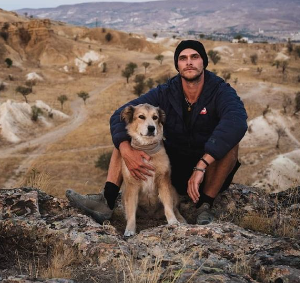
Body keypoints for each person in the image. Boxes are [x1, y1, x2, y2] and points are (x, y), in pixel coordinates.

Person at [67, 40, 248, 225]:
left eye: (195, 57)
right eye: (183, 58)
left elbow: (237, 122)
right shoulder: (166, 92)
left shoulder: (220, 91)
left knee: (231, 143)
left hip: (208, 172)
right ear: (177, 64)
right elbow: (119, 115)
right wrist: (126, 151)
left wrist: (202, 164)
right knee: (126, 135)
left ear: (204, 62)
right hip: (173, 171)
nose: (189, 62)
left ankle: (205, 206)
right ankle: (107, 201)